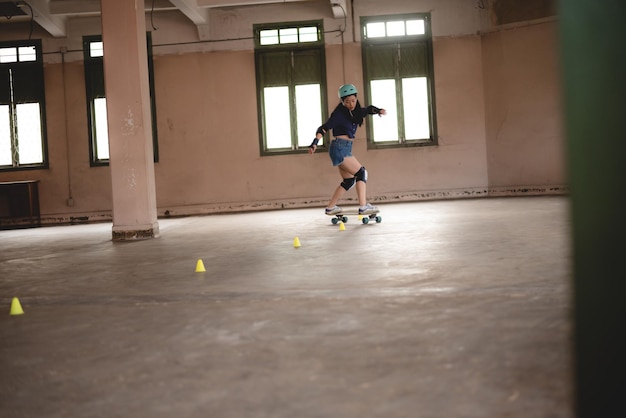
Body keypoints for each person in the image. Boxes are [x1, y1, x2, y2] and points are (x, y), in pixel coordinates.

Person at [308, 84, 387, 215]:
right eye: (347, 102)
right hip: (340, 148)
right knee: (362, 173)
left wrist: (378, 110)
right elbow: (323, 128)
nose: (351, 104)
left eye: (353, 100)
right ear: (342, 102)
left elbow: (368, 110)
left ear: (356, 98)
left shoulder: (355, 112)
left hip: (342, 148)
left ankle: (331, 207)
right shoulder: (339, 114)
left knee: (349, 181)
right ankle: (363, 207)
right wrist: (314, 143)